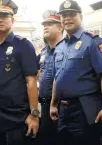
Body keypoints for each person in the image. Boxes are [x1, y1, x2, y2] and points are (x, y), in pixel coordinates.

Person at [49, 0, 102, 145]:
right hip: (64, 110)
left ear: (81, 17)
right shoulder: (60, 47)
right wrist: (53, 104)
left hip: (85, 109)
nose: (67, 18)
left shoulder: (92, 41)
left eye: (72, 14)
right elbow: (57, 78)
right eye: (64, 15)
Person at [0, 0, 39, 145]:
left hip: (17, 118)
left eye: (4, 16)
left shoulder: (23, 45)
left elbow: (31, 82)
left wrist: (33, 114)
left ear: (12, 20)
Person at [37, 10, 63, 145]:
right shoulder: (43, 52)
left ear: (60, 27)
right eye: (44, 25)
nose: (45, 27)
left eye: (50, 24)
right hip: (45, 104)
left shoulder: (65, 48)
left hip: (61, 105)